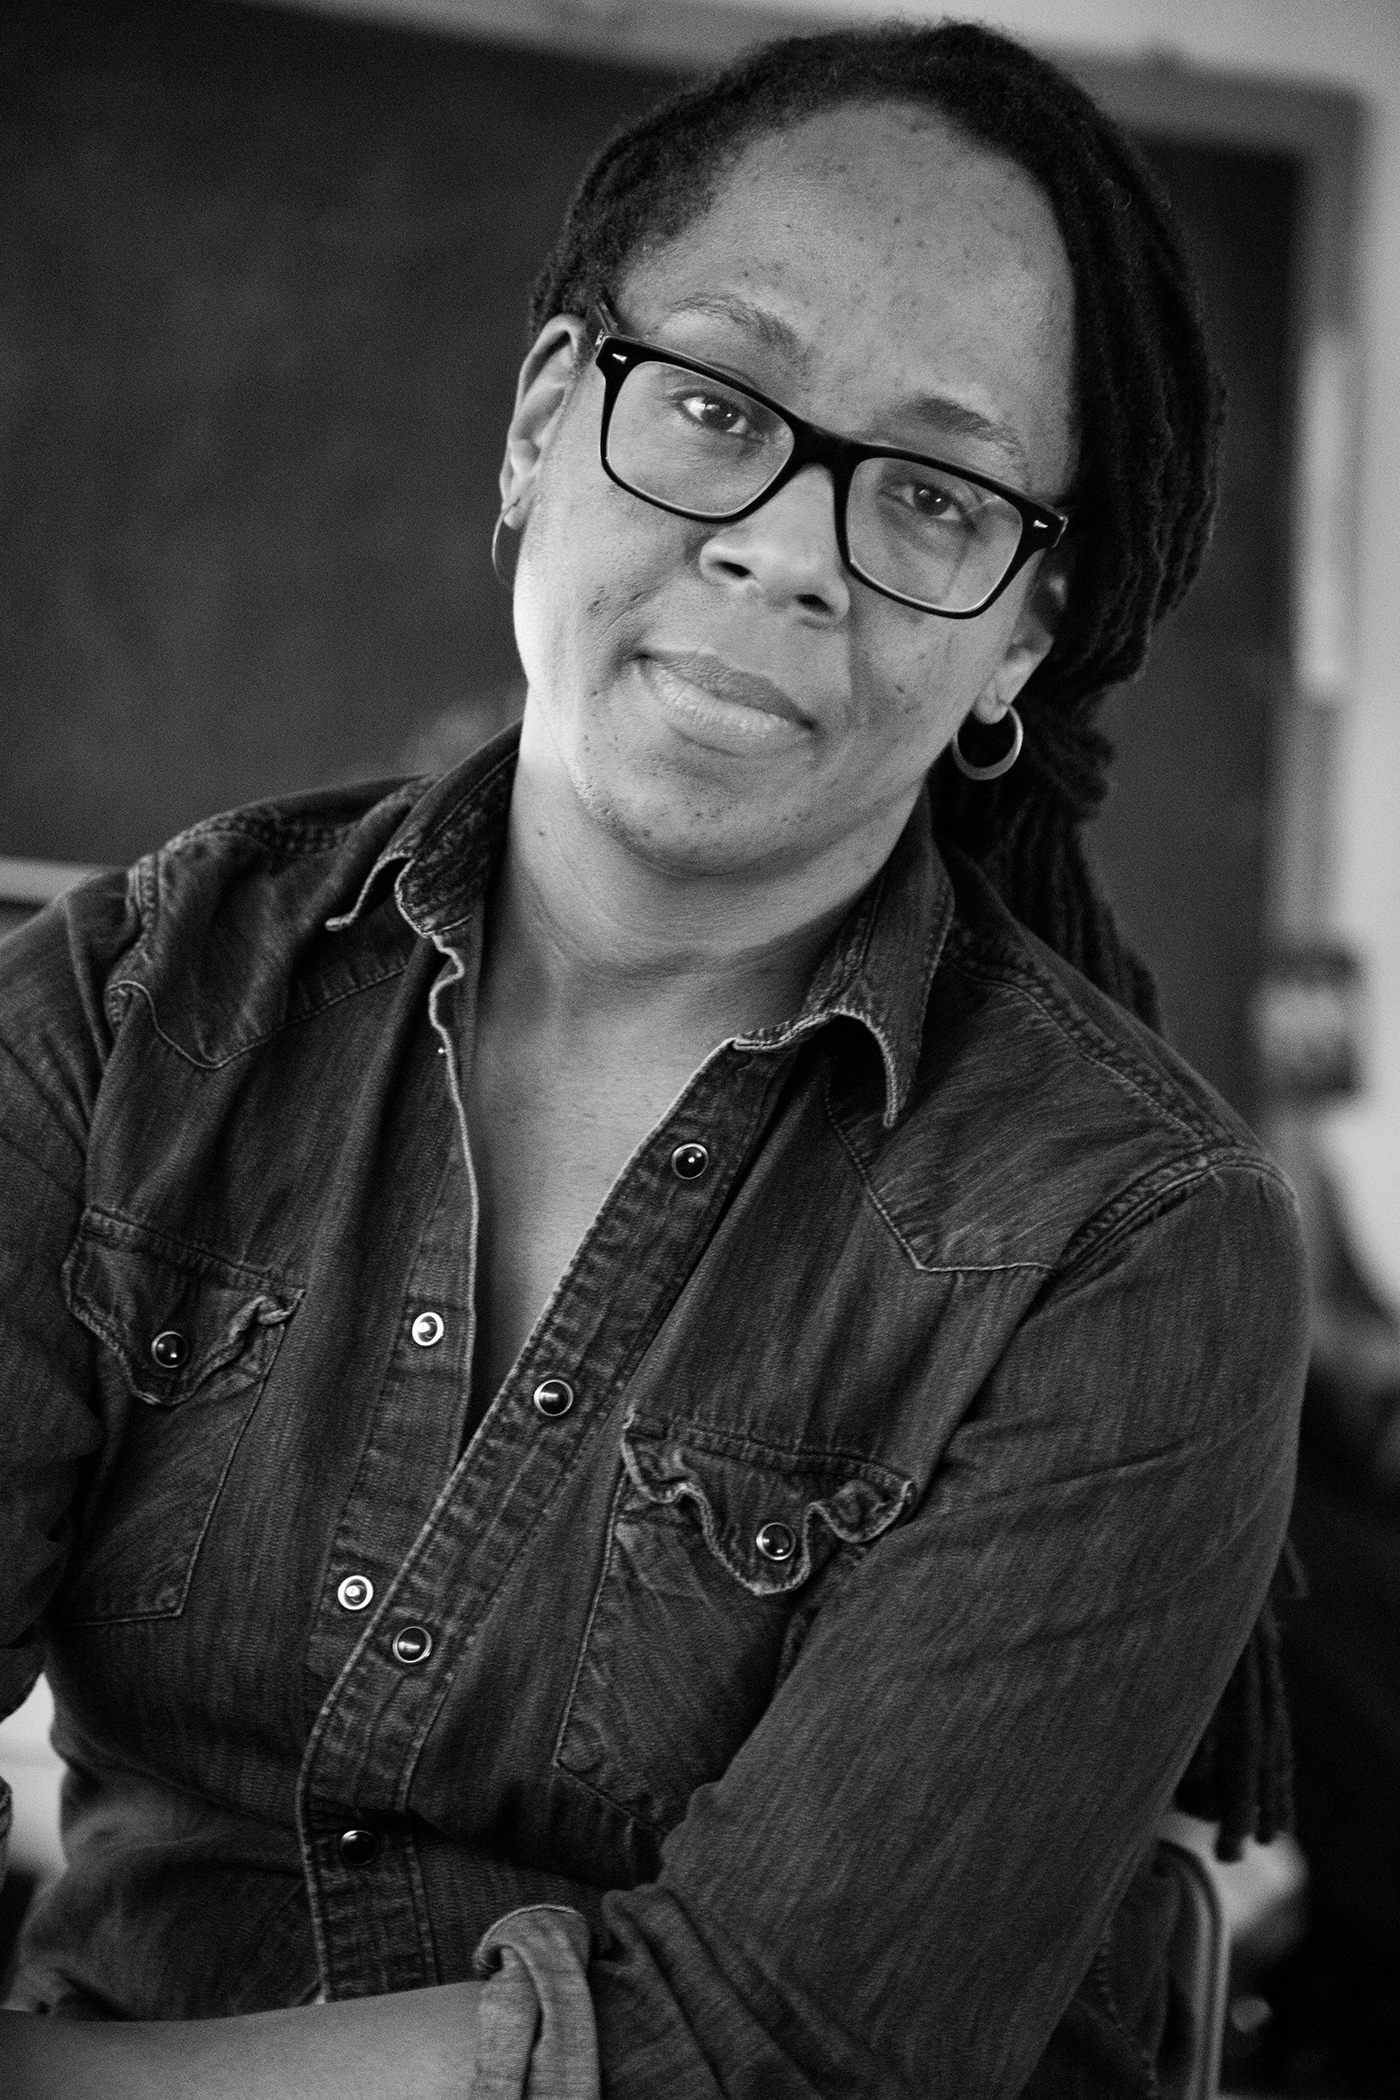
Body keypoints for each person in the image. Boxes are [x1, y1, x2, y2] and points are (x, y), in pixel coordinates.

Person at [0, 21, 1308, 2097]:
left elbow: (764, 2053)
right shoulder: (132, 1001)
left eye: (932, 487)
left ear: (1020, 634)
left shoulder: (1133, 1243)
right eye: (712, 402)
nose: (786, 545)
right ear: (541, 423)